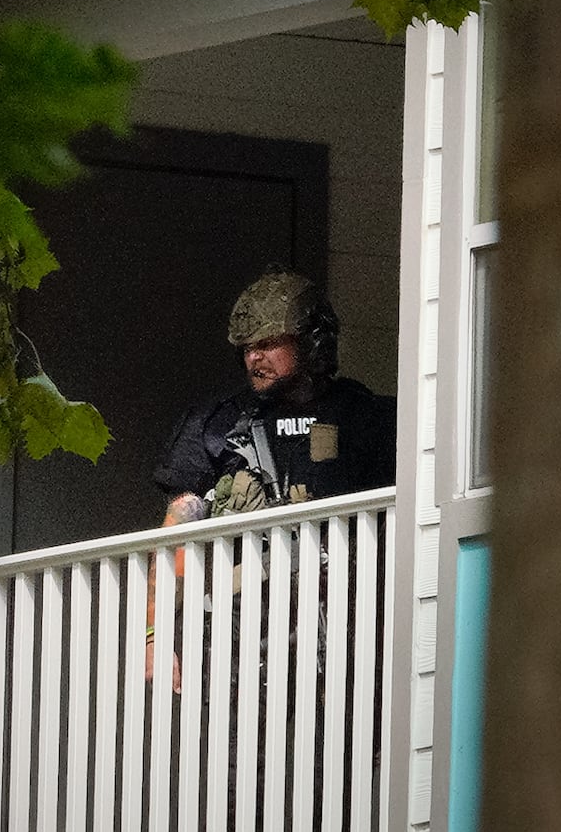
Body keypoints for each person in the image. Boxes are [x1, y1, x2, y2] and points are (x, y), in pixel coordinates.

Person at [145, 269, 395, 690]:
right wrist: (156, 635)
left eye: (267, 344)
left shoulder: (366, 418)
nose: (254, 358)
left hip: (348, 633)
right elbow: (178, 533)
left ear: (311, 341)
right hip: (242, 642)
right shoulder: (216, 424)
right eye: (246, 348)